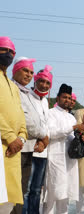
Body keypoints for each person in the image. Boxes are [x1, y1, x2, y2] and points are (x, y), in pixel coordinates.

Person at [43, 84, 84, 214]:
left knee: (65, 196)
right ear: (57, 98)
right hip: (55, 158)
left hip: (69, 160)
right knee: (52, 194)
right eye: (64, 97)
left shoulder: (71, 117)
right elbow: (51, 133)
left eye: (69, 98)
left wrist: (80, 137)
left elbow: (70, 136)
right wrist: (74, 128)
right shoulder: (50, 113)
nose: (67, 100)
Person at [11, 57, 48, 214]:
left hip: (28, 148)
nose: (28, 75)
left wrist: (42, 137)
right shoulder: (13, 89)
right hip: (15, 147)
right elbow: (24, 119)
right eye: (25, 70)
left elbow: (36, 119)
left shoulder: (25, 92)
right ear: (16, 70)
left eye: (31, 72)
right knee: (13, 191)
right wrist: (43, 135)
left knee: (21, 189)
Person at [0, 36, 27, 212]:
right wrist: (10, 138)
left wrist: (21, 139)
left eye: (12, 51)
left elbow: (20, 117)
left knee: (9, 200)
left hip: (14, 149)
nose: (8, 54)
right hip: (4, 145)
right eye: (4, 50)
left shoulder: (13, 86)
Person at [24, 65, 53, 214]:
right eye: (41, 81)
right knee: (27, 190)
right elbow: (28, 122)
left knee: (36, 190)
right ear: (35, 81)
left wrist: (44, 143)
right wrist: (40, 141)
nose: (44, 85)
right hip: (30, 149)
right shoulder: (27, 96)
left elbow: (46, 125)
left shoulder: (45, 102)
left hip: (43, 153)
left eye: (47, 83)